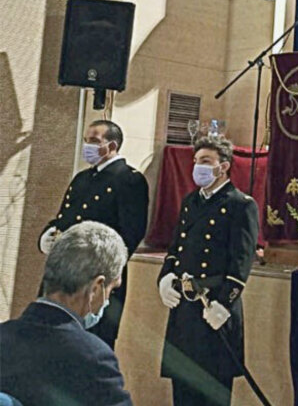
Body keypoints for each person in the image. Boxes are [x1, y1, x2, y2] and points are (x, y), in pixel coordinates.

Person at [157, 135, 259, 406]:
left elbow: (241, 261)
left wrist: (224, 305)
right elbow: (176, 245)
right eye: (196, 160)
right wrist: (166, 276)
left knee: (211, 391)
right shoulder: (191, 201)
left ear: (223, 166)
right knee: (183, 389)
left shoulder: (241, 204)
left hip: (214, 306)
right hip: (186, 308)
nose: (198, 166)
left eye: (205, 161)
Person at [38, 119, 149, 348]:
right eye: (86, 140)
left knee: (88, 349)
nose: (87, 145)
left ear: (112, 146)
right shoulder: (82, 179)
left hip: (95, 281)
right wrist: (48, 235)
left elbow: (130, 235)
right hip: (63, 276)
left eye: (94, 141)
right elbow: (64, 219)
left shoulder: (129, 180)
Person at [0, 221, 132, 406]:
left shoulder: (3, 338)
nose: (108, 299)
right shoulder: (94, 359)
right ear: (96, 288)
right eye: (111, 289)